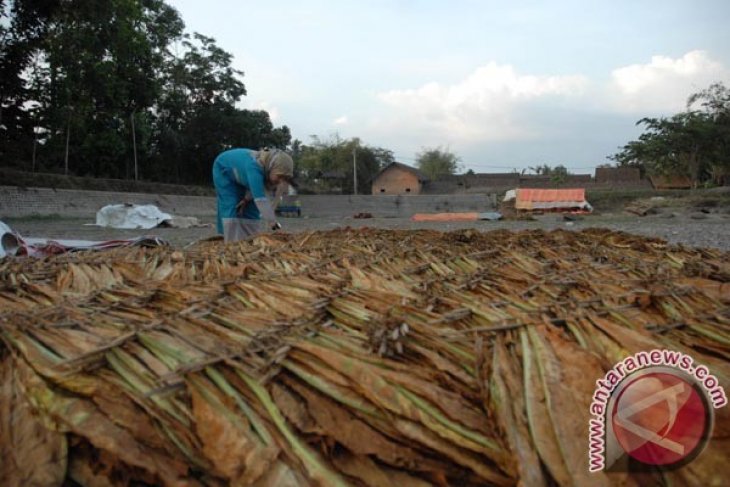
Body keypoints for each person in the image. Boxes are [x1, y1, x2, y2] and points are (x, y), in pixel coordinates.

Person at [212, 148, 294, 241]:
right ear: (271, 167)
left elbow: (256, 190)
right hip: (224, 170)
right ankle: (230, 241)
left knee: (251, 208)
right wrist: (273, 223)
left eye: (285, 178)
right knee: (231, 204)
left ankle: (250, 240)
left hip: (244, 178)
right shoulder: (255, 166)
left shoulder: (266, 172)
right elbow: (260, 199)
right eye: (279, 176)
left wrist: (246, 199)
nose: (281, 181)